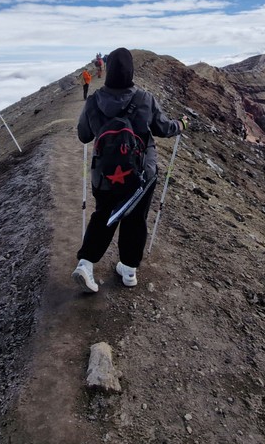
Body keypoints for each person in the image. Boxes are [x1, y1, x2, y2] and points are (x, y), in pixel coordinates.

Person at [73, 48, 186, 292]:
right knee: (135, 219)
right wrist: (181, 124)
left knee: (103, 215)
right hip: (141, 175)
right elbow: (164, 128)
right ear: (132, 71)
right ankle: (129, 270)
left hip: (104, 174)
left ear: (108, 70)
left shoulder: (94, 101)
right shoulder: (145, 99)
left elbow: (83, 135)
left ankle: (86, 264)